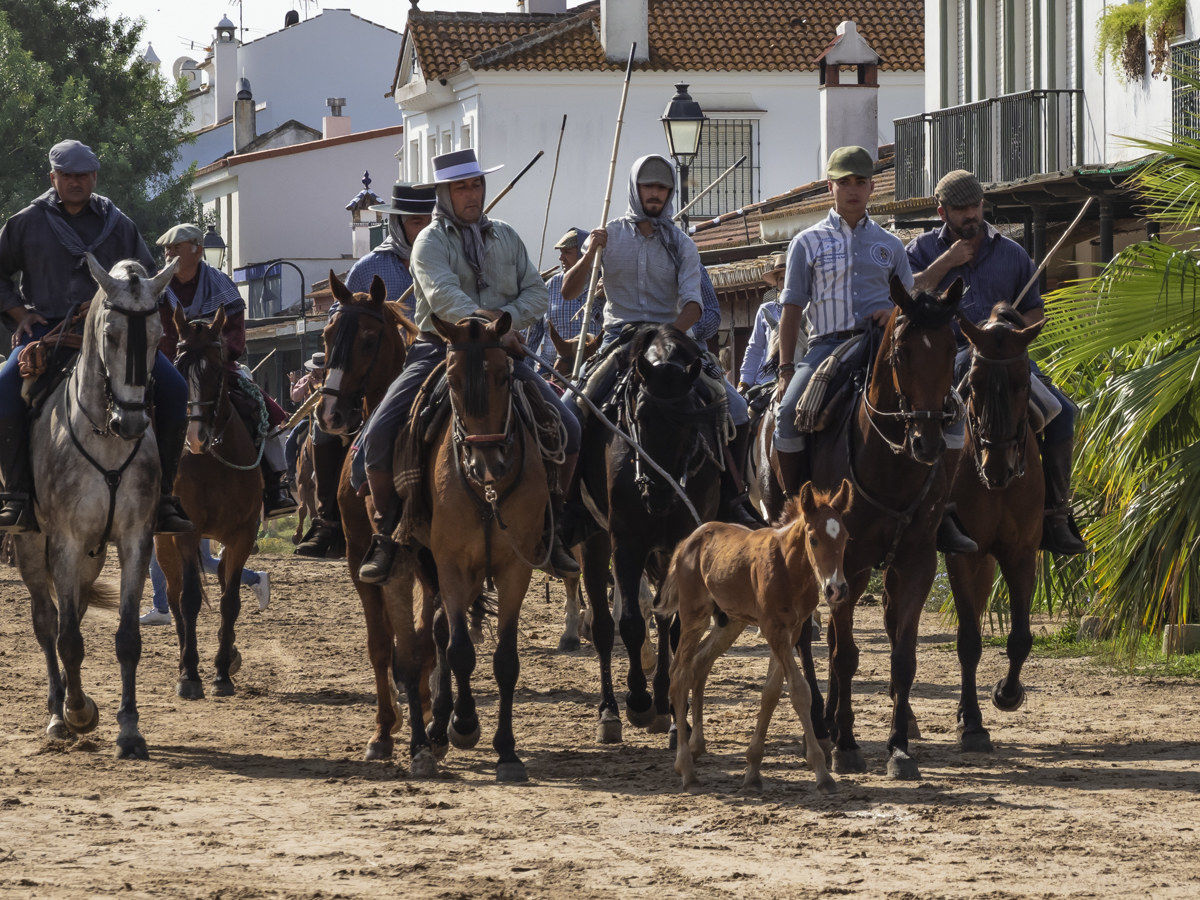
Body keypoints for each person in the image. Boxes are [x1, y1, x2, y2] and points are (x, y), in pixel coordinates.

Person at [354, 149, 582, 583]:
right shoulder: (429, 241)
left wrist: (505, 331)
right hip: (439, 349)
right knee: (379, 432)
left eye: (476, 184)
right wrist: (497, 324)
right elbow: (444, 300)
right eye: (461, 187)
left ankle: (553, 525)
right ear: (444, 193)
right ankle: (387, 534)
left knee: (568, 426)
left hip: (503, 353)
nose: (471, 193)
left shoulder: (508, 237)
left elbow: (537, 292)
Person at [772, 146, 977, 554]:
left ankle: (941, 511)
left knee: (952, 416)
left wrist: (895, 309)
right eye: (844, 182)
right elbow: (792, 307)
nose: (852, 190)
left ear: (870, 189)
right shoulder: (805, 243)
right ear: (831, 186)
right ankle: (794, 513)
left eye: (860, 182)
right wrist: (784, 369)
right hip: (827, 347)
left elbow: (912, 300)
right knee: (787, 417)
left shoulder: (889, 245)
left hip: (882, 347)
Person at [0, 140, 192, 534]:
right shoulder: (26, 222)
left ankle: (165, 500)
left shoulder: (118, 224)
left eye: (83, 175)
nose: (75, 182)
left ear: (94, 178)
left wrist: (121, 308)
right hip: (48, 333)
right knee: (2, 388)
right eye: (67, 175)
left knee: (174, 390)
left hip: (116, 334)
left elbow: (148, 278)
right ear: (53, 178)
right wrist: (21, 312)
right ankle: (16, 498)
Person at [562, 154, 760, 528]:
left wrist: (671, 335)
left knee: (735, 407)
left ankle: (733, 497)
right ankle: (569, 504)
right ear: (635, 189)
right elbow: (571, 291)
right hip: (620, 340)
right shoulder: (607, 235)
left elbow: (693, 305)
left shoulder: (682, 242)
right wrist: (590, 255)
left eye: (662, 188)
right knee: (570, 409)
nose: (655, 194)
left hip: (671, 341)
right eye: (648, 187)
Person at [907, 169, 1086, 556]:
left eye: (975, 206)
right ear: (943, 213)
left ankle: (1056, 515)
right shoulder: (922, 250)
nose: (970, 215)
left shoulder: (1012, 253)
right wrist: (948, 261)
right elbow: (908, 293)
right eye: (960, 209)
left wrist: (1015, 326)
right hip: (950, 357)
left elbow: (1037, 312)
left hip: (1006, 359)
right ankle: (937, 511)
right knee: (935, 420)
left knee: (1064, 413)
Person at [297, 184, 437, 558]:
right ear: (397, 223)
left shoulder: (443, 257)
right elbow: (338, 322)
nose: (422, 228)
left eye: (428, 220)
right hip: (369, 371)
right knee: (321, 424)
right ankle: (327, 522)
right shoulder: (369, 267)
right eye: (414, 221)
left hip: (430, 357)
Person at [156, 223, 297, 518]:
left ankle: (275, 487)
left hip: (216, 363)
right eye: (166, 249)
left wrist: (219, 355)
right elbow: (162, 333)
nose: (168, 254)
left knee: (263, 410)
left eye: (175, 248)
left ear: (195, 248)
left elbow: (236, 332)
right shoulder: (159, 288)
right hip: (173, 366)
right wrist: (173, 364)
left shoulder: (221, 283)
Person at [139, 539, 269, 625]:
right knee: (158, 553)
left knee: (202, 561)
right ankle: (161, 609)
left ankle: (255, 579)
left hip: (189, 507)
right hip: (179, 506)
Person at [524, 227, 602, 369]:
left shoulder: (604, 284)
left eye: (567, 252)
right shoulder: (550, 286)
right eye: (561, 253)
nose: (561, 258)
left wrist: (601, 298)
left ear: (582, 254)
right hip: (551, 369)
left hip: (591, 368)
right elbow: (530, 337)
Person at [738, 252, 792, 391]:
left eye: (789, 277)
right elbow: (755, 348)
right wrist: (745, 382)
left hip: (797, 377)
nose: (785, 282)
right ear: (777, 283)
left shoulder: (809, 307)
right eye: (781, 279)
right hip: (766, 381)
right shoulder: (766, 309)